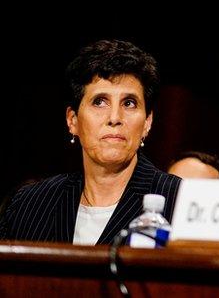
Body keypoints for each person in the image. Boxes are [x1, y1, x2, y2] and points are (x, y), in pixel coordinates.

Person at [0, 40, 181, 245]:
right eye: (99, 102)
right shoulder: (29, 204)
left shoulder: (178, 202)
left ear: (147, 122)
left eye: (129, 103)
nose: (114, 117)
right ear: (73, 120)